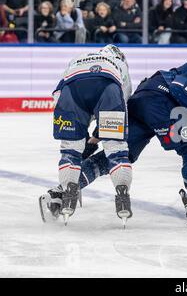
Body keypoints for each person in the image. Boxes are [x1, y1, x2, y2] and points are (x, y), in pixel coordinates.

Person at [61, 46, 187, 227]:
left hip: (144, 101)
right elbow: (180, 89)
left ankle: (61, 193)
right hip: (160, 100)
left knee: (121, 156)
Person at [39, 45, 134, 227]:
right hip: (108, 86)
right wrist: (102, 133)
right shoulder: (119, 63)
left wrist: (78, 133)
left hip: (71, 90)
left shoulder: (80, 57)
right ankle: (122, 192)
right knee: (116, 150)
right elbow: (124, 100)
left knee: (70, 151)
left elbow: (57, 93)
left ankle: (68, 189)